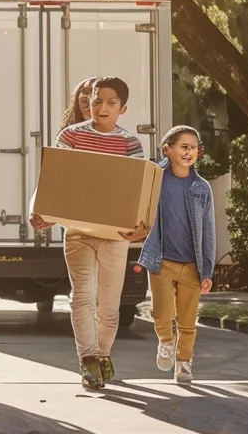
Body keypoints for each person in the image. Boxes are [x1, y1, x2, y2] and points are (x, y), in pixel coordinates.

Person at [30, 76, 149, 390]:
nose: (102, 107)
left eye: (111, 102)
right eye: (97, 100)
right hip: (79, 232)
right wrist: (39, 209)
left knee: (109, 305)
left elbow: (138, 190)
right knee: (82, 298)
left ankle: (104, 354)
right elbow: (51, 178)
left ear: (122, 108)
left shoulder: (130, 143)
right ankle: (88, 362)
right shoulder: (71, 136)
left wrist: (141, 227)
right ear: (89, 102)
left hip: (115, 236)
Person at [137, 126, 215, 384]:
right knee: (161, 311)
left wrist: (208, 269)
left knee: (188, 318)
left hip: (192, 264)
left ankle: (184, 362)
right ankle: (166, 341)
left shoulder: (201, 188)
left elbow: (208, 230)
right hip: (161, 259)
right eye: (183, 146)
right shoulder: (156, 179)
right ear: (166, 150)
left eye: (193, 147)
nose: (189, 152)